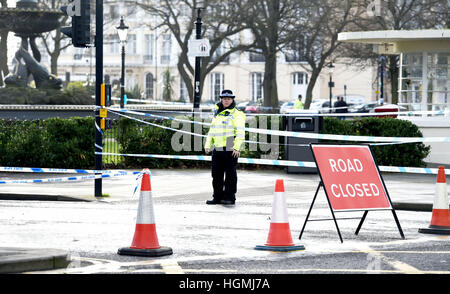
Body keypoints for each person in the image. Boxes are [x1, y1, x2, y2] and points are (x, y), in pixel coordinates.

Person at [205, 89, 246, 205]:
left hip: (230, 146)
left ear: (232, 99)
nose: (226, 101)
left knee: (230, 174)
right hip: (217, 147)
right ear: (221, 99)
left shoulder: (237, 114)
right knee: (216, 175)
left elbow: (240, 132)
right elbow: (212, 131)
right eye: (224, 98)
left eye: (228, 99)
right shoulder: (217, 113)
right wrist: (208, 145)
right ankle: (217, 197)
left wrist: (237, 147)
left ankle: (229, 197)